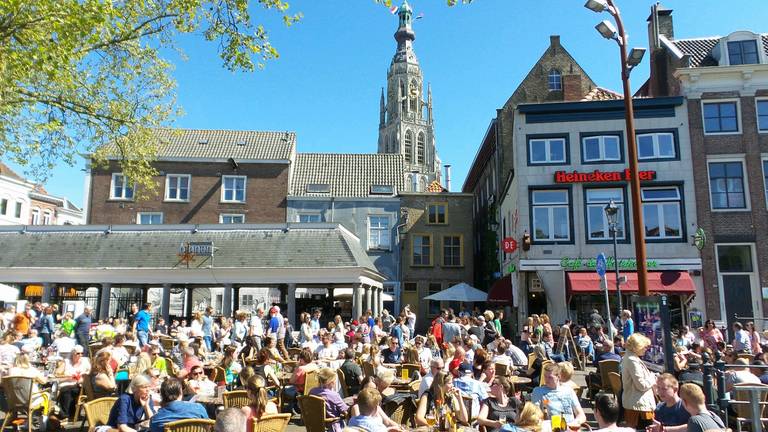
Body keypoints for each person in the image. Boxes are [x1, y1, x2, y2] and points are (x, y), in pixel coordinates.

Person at [530, 362, 585, 428]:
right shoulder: (538, 391)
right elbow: (535, 416)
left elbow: (581, 415)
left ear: (558, 377)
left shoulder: (568, 390)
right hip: (552, 427)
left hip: (570, 427)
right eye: (545, 376)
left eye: (550, 377)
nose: (546, 380)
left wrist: (575, 422)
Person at [620, 333, 657, 429]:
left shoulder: (629, 357)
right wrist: (652, 378)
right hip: (639, 406)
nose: (646, 349)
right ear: (637, 347)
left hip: (636, 404)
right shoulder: (632, 360)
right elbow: (641, 385)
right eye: (644, 347)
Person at [309, 368, 348, 432]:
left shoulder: (312, 392)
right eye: (335, 380)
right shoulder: (333, 395)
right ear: (331, 381)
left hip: (315, 426)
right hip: (332, 427)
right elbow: (346, 411)